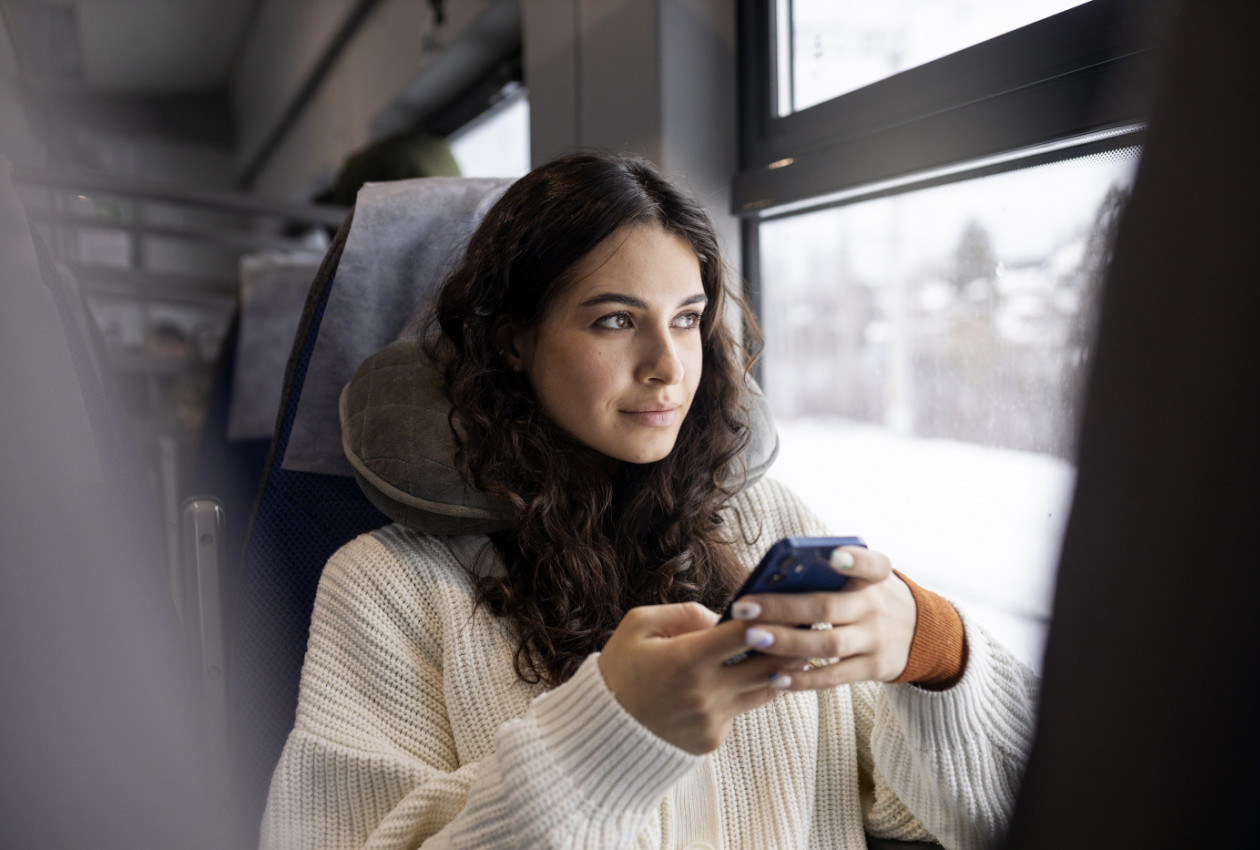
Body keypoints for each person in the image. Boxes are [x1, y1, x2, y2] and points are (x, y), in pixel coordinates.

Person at [260, 153, 1039, 850]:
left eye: (688, 320)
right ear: (511, 340)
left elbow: (985, 813)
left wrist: (933, 651)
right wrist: (606, 742)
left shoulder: (771, 523)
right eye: (614, 321)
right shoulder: (384, 586)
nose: (668, 366)